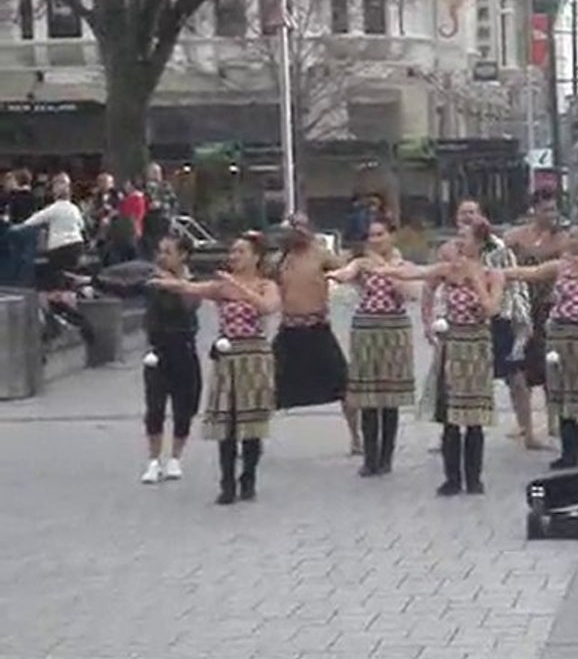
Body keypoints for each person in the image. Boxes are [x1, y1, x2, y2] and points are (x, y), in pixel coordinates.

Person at [151, 232, 281, 505]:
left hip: (254, 357)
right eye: (233, 252)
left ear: (256, 257)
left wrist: (238, 287)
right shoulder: (222, 287)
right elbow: (192, 289)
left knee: (251, 423)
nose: (234, 257)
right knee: (227, 423)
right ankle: (226, 483)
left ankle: (248, 478)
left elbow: (268, 308)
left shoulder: (266, 285)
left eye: (241, 252)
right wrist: (170, 283)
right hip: (227, 356)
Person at [387, 220, 504, 496]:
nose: (460, 243)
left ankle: (474, 478)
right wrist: (381, 268)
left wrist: (475, 279)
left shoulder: (492, 274)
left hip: (476, 347)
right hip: (451, 346)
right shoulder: (446, 270)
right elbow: (417, 273)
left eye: (465, 237)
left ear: (479, 242)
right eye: (458, 237)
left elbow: (490, 309)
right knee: (450, 416)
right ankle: (452, 478)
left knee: (474, 417)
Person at [83, 237, 201, 483]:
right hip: (157, 350)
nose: (162, 256)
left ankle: (175, 459)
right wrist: (93, 281)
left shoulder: (192, 283)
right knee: (155, 407)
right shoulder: (151, 280)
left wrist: (172, 284)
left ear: (183, 255)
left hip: (184, 348)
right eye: (160, 251)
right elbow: (124, 285)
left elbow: (189, 304)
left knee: (184, 408)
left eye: (168, 252)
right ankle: (153, 461)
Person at [503, 221, 578, 469]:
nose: (569, 240)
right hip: (562, 335)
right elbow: (530, 273)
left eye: (575, 236)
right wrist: (501, 273)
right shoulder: (560, 266)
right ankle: (568, 453)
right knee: (563, 393)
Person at [423, 200, 535, 449]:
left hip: (499, 318)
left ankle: (527, 431)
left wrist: (520, 320)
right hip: (458, 324)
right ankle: (448, 433)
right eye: (463, 213)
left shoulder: (499, 249)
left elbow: (515, 282)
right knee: (451, 378)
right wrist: (428, 320)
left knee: (515, 376)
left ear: (481, 217)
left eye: (472, 213)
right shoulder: (448, 252)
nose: (467, 217)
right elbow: (428, 285)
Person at [328, 218, 416, 476]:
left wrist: (387, 270)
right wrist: (336, 273)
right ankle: (369, 457)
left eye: (380, 234)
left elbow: (410, 293)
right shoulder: (362, 264)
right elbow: (345, 275)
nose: (375, 240)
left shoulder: (402, 266)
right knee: (367, 396)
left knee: (390, 398)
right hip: (366, 330)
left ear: (392, 236)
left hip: (394, 330)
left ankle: (386, 456)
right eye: (372, 235)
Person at [272, 212, 350, 429]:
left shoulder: (320, 254)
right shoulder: (281, 257)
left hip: (316, 327)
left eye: (302, 226)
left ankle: (356, 437)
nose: (297, 231)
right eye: (293, 226)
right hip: (289, 328)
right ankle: (251, 436)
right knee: (265, 383)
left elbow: (343, 268)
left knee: (345, 385)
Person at [504, 190, 566, 444]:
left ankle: (553, 421)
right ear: (534, 210)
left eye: (554, 209)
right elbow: (499, 262)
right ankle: (523, 424)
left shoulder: (563, 240)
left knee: (551, 365)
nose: (550, 215)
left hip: (548, 307)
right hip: (520, 306)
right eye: (545, 209)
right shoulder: (515, 237)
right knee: (517, 369)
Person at [17, 172, 86, 284]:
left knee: (57, 276)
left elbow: (31, 222)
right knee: (71, 273)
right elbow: (81, 226)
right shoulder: (75, 209)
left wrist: (16, 228)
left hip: (59, 247)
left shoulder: (53, 209)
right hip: (77, 245)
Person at [143, 162, 179, 260]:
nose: (155, 175)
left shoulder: (165, 186)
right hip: (147, 222)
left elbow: (173, 202)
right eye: (153, 172)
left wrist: (161, 205)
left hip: (163, 220)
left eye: (157, 172)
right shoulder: (143, 187)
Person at [119, 179, 147, 253]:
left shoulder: (135, 198)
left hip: (131, 227)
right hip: (132, 226)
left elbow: (130, 213)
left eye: (127, 185)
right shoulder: (133, 198)